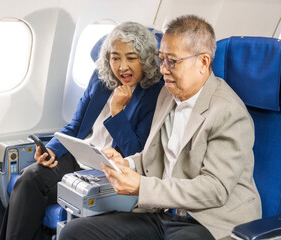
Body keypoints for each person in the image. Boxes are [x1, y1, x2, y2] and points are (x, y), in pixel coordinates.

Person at [58, 15, 262, 240]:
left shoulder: (228, 112)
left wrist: (141, 187)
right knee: (74, 233)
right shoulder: (167, 94)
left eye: (172, 61)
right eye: (161, 59)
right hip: (162, 213)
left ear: (203, 62)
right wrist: (124, 163)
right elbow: (152, 157)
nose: (163, 70)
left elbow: (214, 189)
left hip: (208, 221)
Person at [0, 21, 163, 240]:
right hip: (80, 158)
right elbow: (75, 126)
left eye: (131, 58)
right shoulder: (101, 79)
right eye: (115, 58)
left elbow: (136, 151)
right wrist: (51, 150)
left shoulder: (154, 93)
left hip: (111, 170)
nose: (122, 67)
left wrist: (117, 112)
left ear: (144, 59)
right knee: (30, 179)